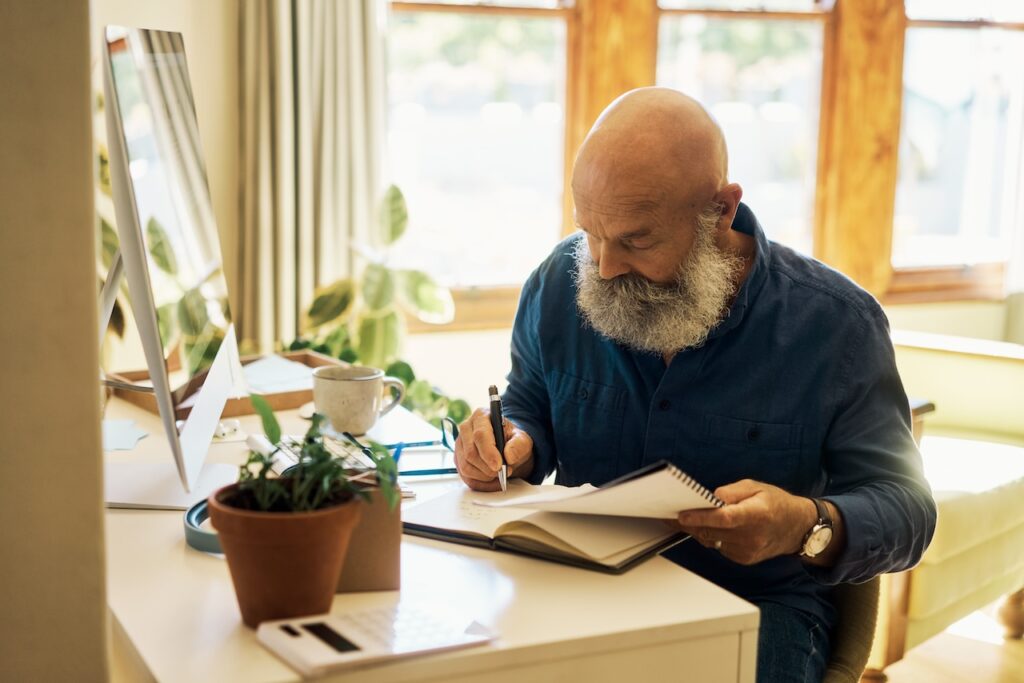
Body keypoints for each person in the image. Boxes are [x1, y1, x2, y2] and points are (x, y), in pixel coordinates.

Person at [453, 87, 936, 683]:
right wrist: (513, 443)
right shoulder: (559, 282)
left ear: (722, 210)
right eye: (590, 231)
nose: (603, 266)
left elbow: (908, 511)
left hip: (752, 608)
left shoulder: (835, 326)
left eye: (636, 239)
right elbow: (532, 405)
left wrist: (805, 523)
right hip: (580, 590)